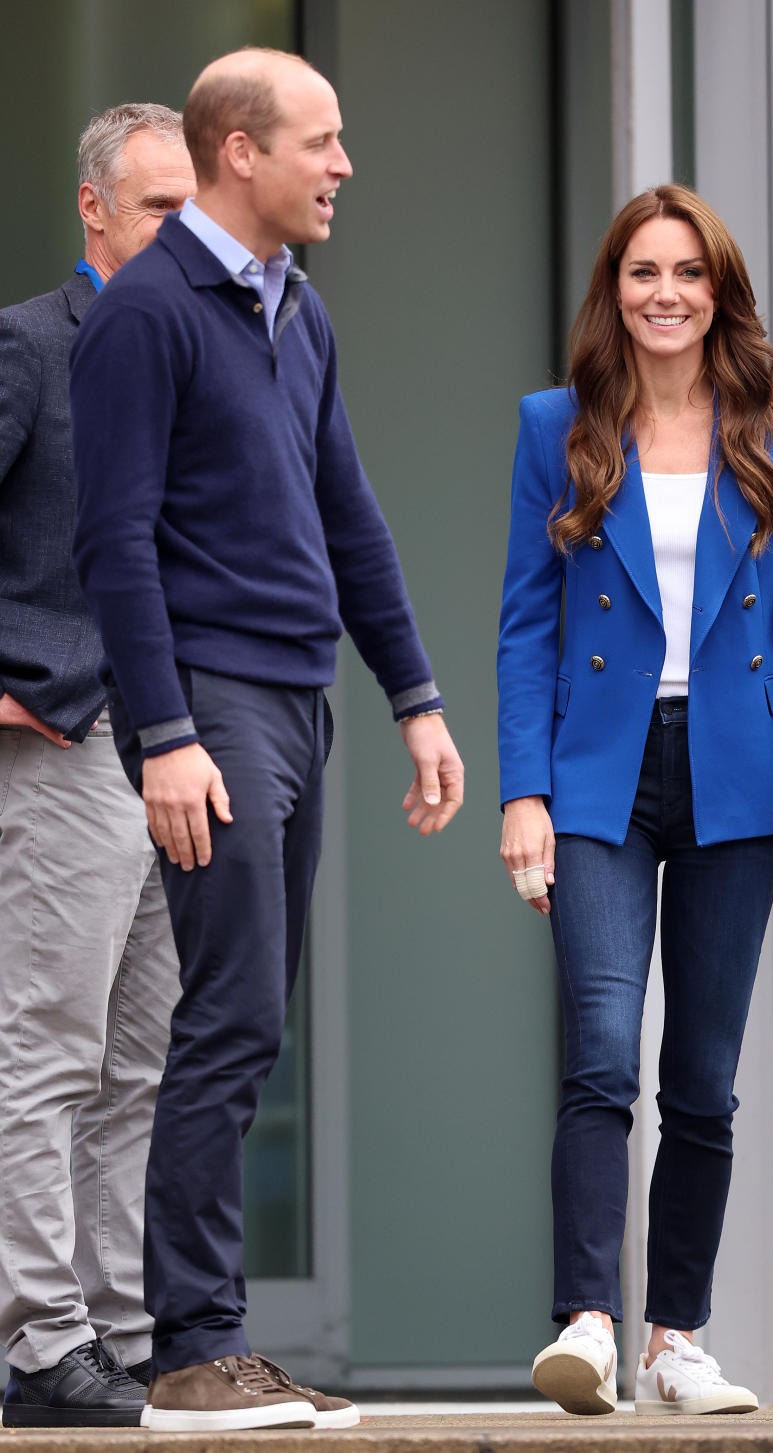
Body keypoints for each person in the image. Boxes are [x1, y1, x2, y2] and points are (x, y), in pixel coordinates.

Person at [70, 48, 464, 1434]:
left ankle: (206, 1337)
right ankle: (195, 1348)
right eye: (323, 139)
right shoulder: (147, 313)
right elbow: (111, 540)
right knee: (229, 1012)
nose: (343, 163)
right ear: (241, 150)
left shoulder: (298, 310)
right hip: (214, 702)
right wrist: (166, 731)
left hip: (298, 701)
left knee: (250, 1012)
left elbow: (348, 517)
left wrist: (415, 697)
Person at [497, 185, 773, 1416]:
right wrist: (522, 791)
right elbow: (527, 624)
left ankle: (675, 1338)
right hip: (598, 772)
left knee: (701, 1071)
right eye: (643, 271)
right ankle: (590, 1323)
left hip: (741, 774)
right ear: (616, 288)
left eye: (688, 273)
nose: (665, 293)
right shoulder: (561, 424)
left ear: (719, 291)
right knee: (601, 1050)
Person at [0, 105, 195, 1430]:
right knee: (48, 1052)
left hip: (178, 749)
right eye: (160, 212)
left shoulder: (199, 347)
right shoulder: (29, 345)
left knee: (141, 1064)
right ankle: (39, 1337)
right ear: (95, 211)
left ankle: (114, 1338)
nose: (185, 237)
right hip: (65, 733)